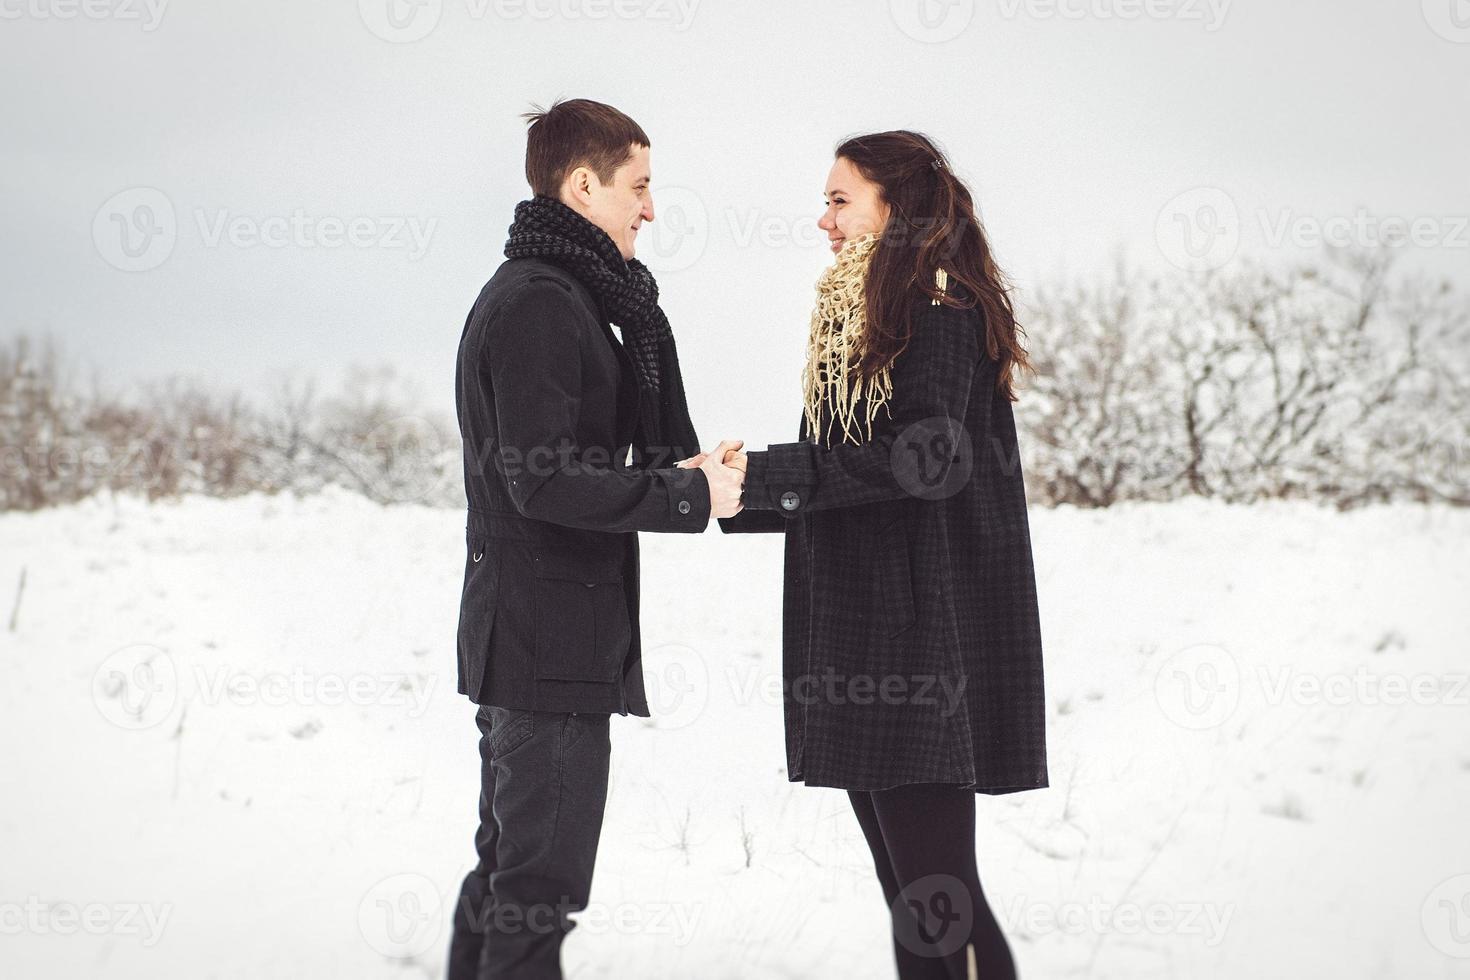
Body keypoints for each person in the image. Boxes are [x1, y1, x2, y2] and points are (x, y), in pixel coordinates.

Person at [684, 131, 1049, 979]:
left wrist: (766, 477)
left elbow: (928, 458)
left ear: (897, 208)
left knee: (932, 897)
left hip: (919, 643)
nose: (823, 220)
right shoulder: (869, 314)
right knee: (922, 894)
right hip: (870, 636)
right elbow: (855, 471)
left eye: (840, 200)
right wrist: (740, 489)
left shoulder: (938, 306)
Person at [447, 97, 744, 980]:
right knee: (537, 889)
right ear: (583, 186)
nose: (651, 208)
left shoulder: (572, 297)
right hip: (546, 647)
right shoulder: (542, 305)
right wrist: (681, 493)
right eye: (639, 186)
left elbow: (574, 463)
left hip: (540, 641)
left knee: (510, 874)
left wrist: (686, 473)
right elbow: (541, 480)